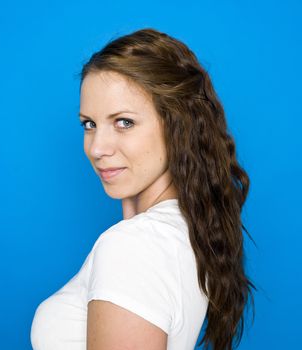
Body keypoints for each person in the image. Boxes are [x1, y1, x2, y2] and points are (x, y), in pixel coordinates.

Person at [30, 28, 256, 350]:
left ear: (177, 125)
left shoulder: (133, 247)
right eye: (89, 124)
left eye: (124, 122)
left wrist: (130, 232)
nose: (96, 148)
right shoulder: (183, 232)